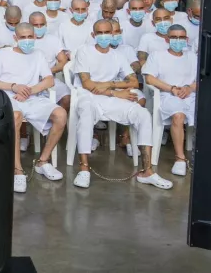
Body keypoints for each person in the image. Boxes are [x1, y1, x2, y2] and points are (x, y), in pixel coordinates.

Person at [72, 19, 173, 190]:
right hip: (87, 97)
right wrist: (116, 91)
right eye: (100, 33)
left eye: (107, 33)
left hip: (111, 98)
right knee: (87, 112)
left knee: (143, 114)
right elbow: (88, 85)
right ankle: (84, 169)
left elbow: (133, 82)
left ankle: (146, 171)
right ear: (93, 35)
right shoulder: (84, 51)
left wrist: (109, 85)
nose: (104, 36)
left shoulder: (118, 55)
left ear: (113, 34)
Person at [0, 22, 68, 192]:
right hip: (8, 97)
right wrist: (14, 86)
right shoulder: (3, 54)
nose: (27, 40)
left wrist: (29, 91)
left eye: (30, 37)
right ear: (15, 38)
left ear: (35, 37)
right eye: (23, 37)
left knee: (61, 114)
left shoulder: (38, 55)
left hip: (32, 97)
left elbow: (49, 80)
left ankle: (43, 161)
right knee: (15, 116)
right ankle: (17, 170)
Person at [142, 24, 198, 177]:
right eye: (174, 37)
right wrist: (172, 88)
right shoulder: (157, 55)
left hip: (191, 95)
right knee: (178, 115)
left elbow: (202, 78)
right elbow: (150, 78)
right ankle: (180, 158)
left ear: (187, 39)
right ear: (167, 39)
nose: (178, 40)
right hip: (167, 95)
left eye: (181, 37)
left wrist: (189, 88)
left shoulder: (193, 57)